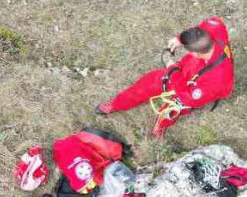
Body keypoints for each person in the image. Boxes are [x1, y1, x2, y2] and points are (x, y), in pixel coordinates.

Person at [96, 16, 234, 137]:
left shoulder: (218, 80)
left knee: (175, 107)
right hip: (189, 68)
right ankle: (116, 104)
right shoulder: (217, 31)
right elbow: (213, 22)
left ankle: (161, 123)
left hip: (198, 85)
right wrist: (180, 39)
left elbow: (189, 98)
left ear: (196, 54)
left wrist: (172, 69)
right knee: (145, 85)